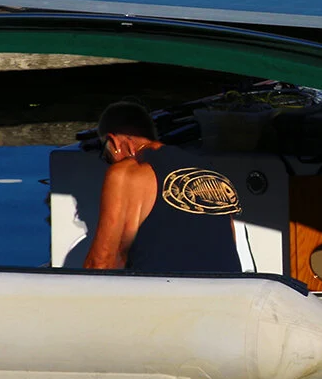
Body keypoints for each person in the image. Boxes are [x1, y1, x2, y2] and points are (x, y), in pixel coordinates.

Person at [83, 101, 244, 273]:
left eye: (106, 156)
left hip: (166, 295)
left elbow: (100, 265)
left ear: (115, 143)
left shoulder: (127, 171)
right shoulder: (212, 172)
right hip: (230, 293)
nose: (109, 163)